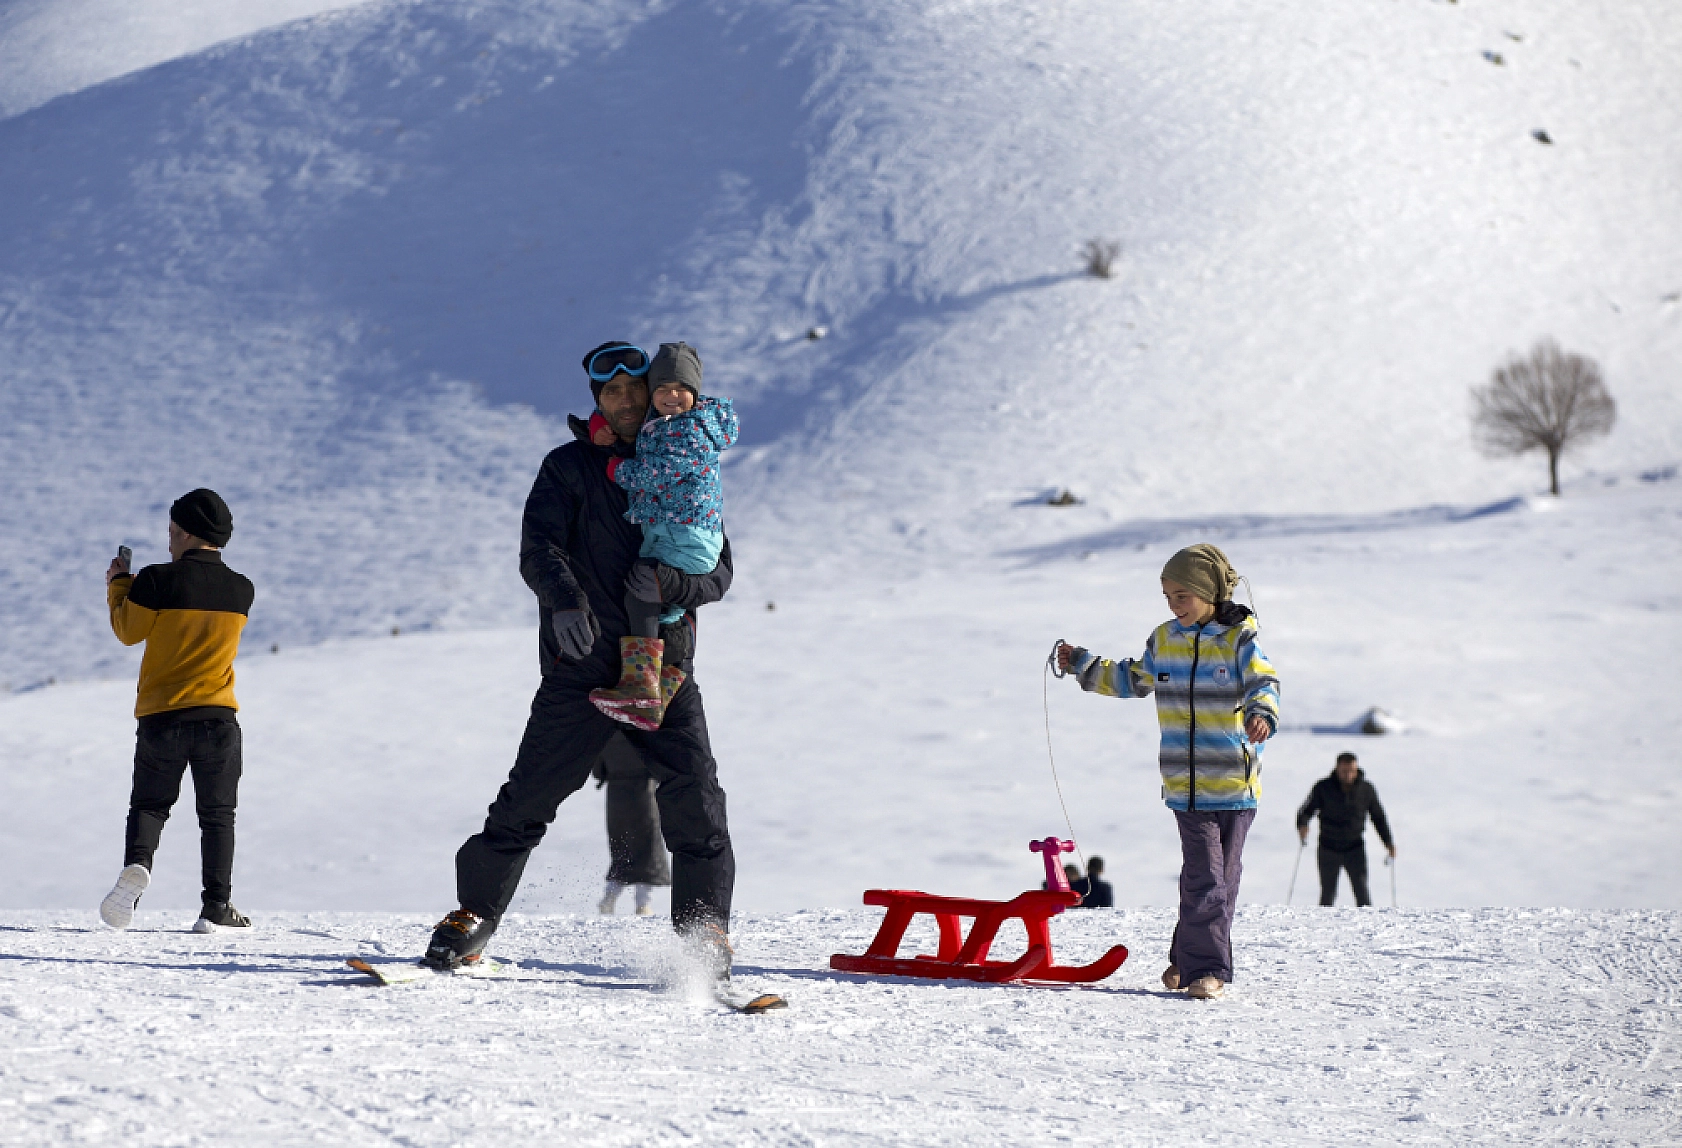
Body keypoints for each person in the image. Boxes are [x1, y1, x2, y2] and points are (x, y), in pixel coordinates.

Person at [424, 341, 736, 979]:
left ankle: (704, 933)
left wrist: (671, 588)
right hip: (583, 666)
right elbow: (538, 548)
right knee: (528, 798)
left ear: (654, 394)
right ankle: (472, 914)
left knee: (697, 801)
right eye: (610, 393)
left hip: (664, 671)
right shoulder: (566, 467)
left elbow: (720, 569)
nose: (624, 402)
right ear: (596, 400)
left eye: (634, 390)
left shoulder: (684, 461)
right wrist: (564, 601)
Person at [1056, 544, 1280, 1000]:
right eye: (1168, 597)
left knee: (1223, 879)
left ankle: (1184, 958)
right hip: (1185, 785)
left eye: (1183, 596)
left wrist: (1263, 714)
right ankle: (1206, 970)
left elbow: (1263, 682)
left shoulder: (1239, 640)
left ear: (1209, 592)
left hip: (1235, 785)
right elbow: (1129, 679)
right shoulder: (1164, 641)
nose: (1175, 605)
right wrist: (1082, 663)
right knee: (1205, 877)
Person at [100, 489, 256, 934]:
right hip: (219, 719)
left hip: (163, 717)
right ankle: (216, 907)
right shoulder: (242, 589)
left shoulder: (156, 579)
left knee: (149, 806)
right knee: (218, 815)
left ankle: (136, 870)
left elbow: (128, 632)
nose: (169, 541)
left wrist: (119, 585)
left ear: (188, 533)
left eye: (172, 532)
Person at [588, 343, 737, 730]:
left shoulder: (688, 431)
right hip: (680, 533)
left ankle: (642, 687)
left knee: (643, 592)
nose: (671, 396)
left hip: (684, 536)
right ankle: (658, 692)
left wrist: (618, 470)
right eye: (662, 389)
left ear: (696, 393)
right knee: (665, 615)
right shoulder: (668, 425)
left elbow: (654, 474)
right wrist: (596, 428)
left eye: (680, 389)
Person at [1296, 752, 1395, 907]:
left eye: (1352, 771)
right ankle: (1322, 928)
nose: (1348, 775)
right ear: (1337, 769)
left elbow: (1378, 817)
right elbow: (1306, 810)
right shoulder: (1323, 787)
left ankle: (1370, 929)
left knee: (1362, 893)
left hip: (1355, 848)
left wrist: (1388, 842)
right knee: (1327, 895)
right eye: (1344, 771)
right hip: (1328, 848)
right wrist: (1303, 825)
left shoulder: (1366, 789)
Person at [593, 732, 670, 915]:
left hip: (615, 797)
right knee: (647, 849)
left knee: (621, 849)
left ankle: (609, 898)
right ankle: (643, 903)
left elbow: (597, 771)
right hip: (643, 793)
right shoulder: (645, 731)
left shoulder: (607, 733)